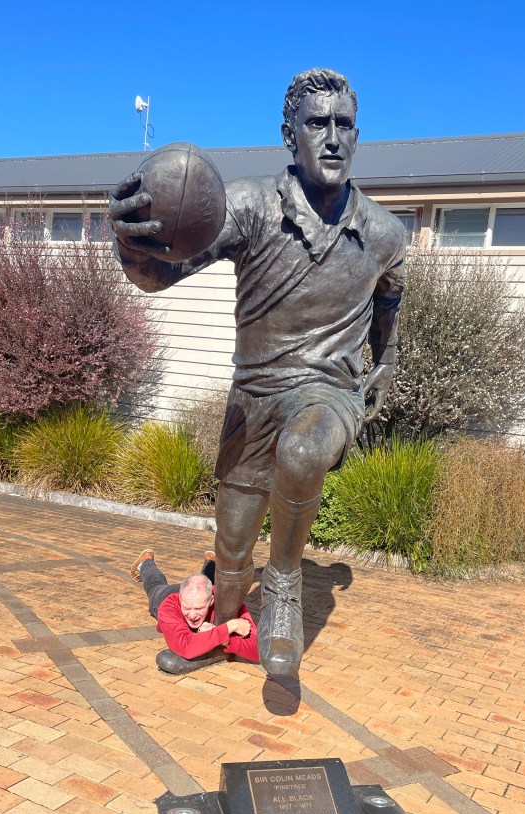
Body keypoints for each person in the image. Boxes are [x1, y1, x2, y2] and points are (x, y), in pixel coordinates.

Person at [111, 68, 405, 678]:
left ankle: (286, 585)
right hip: (253, 400)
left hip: (329, 392)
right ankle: (220, 634)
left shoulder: (383, 232)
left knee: (303, 451)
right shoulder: (249, 205)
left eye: (345, 124)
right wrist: (134, 245)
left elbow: (389, 302)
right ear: (290, 135)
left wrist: (386, 361)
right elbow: (162, 276)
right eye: (317, 123)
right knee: (232, 543)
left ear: (358, 134)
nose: (333, 137)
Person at [131, 548, 258, 674]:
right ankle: (145, 562)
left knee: (205, 581)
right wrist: (228, 628)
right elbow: (185, 647)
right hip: (166, 594)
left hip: (199, 590)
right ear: (181, 600)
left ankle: (211, 562)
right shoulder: (169, 606)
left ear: (211, 601)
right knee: (155, 584)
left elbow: (258, 651)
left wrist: (227, 641)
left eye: (198, 609)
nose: (192, 615)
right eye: (187, 608)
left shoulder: (228, 602)